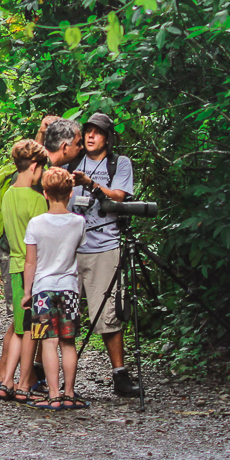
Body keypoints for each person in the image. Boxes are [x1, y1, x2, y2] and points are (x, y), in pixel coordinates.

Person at [69, 112, 141, 397]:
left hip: (105, 246)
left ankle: (119, 375)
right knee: (65, 313)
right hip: (71, 247)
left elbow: (120, 196)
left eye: (97, 132)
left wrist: (91, 184)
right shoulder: (72, 161)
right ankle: (51, 375)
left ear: (108, 138)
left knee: (108, 314)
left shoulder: (119, 163)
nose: (90, 136)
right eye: (87, 131)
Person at [18, 167, 88, 410]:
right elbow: (80, 250)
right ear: (70, 193)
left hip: (42, 291)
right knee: (68, 342)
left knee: (48, 341)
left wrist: (27, 292)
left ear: (45, 193)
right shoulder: (79, 223)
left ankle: (54, 395)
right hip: (69, 289)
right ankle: (69, 393)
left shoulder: (36, 224)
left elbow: (30, 262)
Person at [0, 140, 49, 402]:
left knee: (18, 326)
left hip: (14, 266)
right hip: (33, 271)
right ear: (35, 166)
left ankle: (7, 379)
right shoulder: (36, 200)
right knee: (32, 330)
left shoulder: (8, 194)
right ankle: (24, 384)